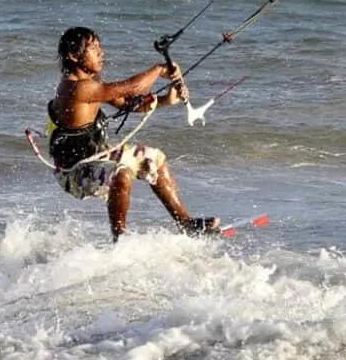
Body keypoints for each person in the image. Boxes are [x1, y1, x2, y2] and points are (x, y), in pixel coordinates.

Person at [47, 26, 221, 241]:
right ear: (73, 56)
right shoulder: (75, 89)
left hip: (98, 157)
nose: (102, 54)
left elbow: (128, 104)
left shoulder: (92, 85)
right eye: (94, 49)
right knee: (121, 172)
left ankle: (186, 224)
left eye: (100, 47)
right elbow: (131, 88)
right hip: (75, 172)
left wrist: (168, 99)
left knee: (153, 159)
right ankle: (120, 239)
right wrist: (159, 70)